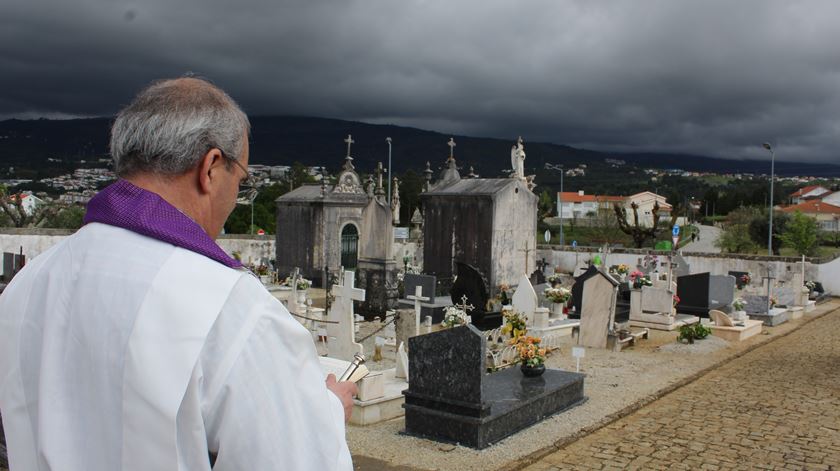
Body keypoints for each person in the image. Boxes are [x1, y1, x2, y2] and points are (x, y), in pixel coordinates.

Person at [0, 77, 357, 470]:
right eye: (241, 179)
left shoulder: (28, 285)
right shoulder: (229, 308)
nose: (237, 196)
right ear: (211, 167)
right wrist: (325, 417)